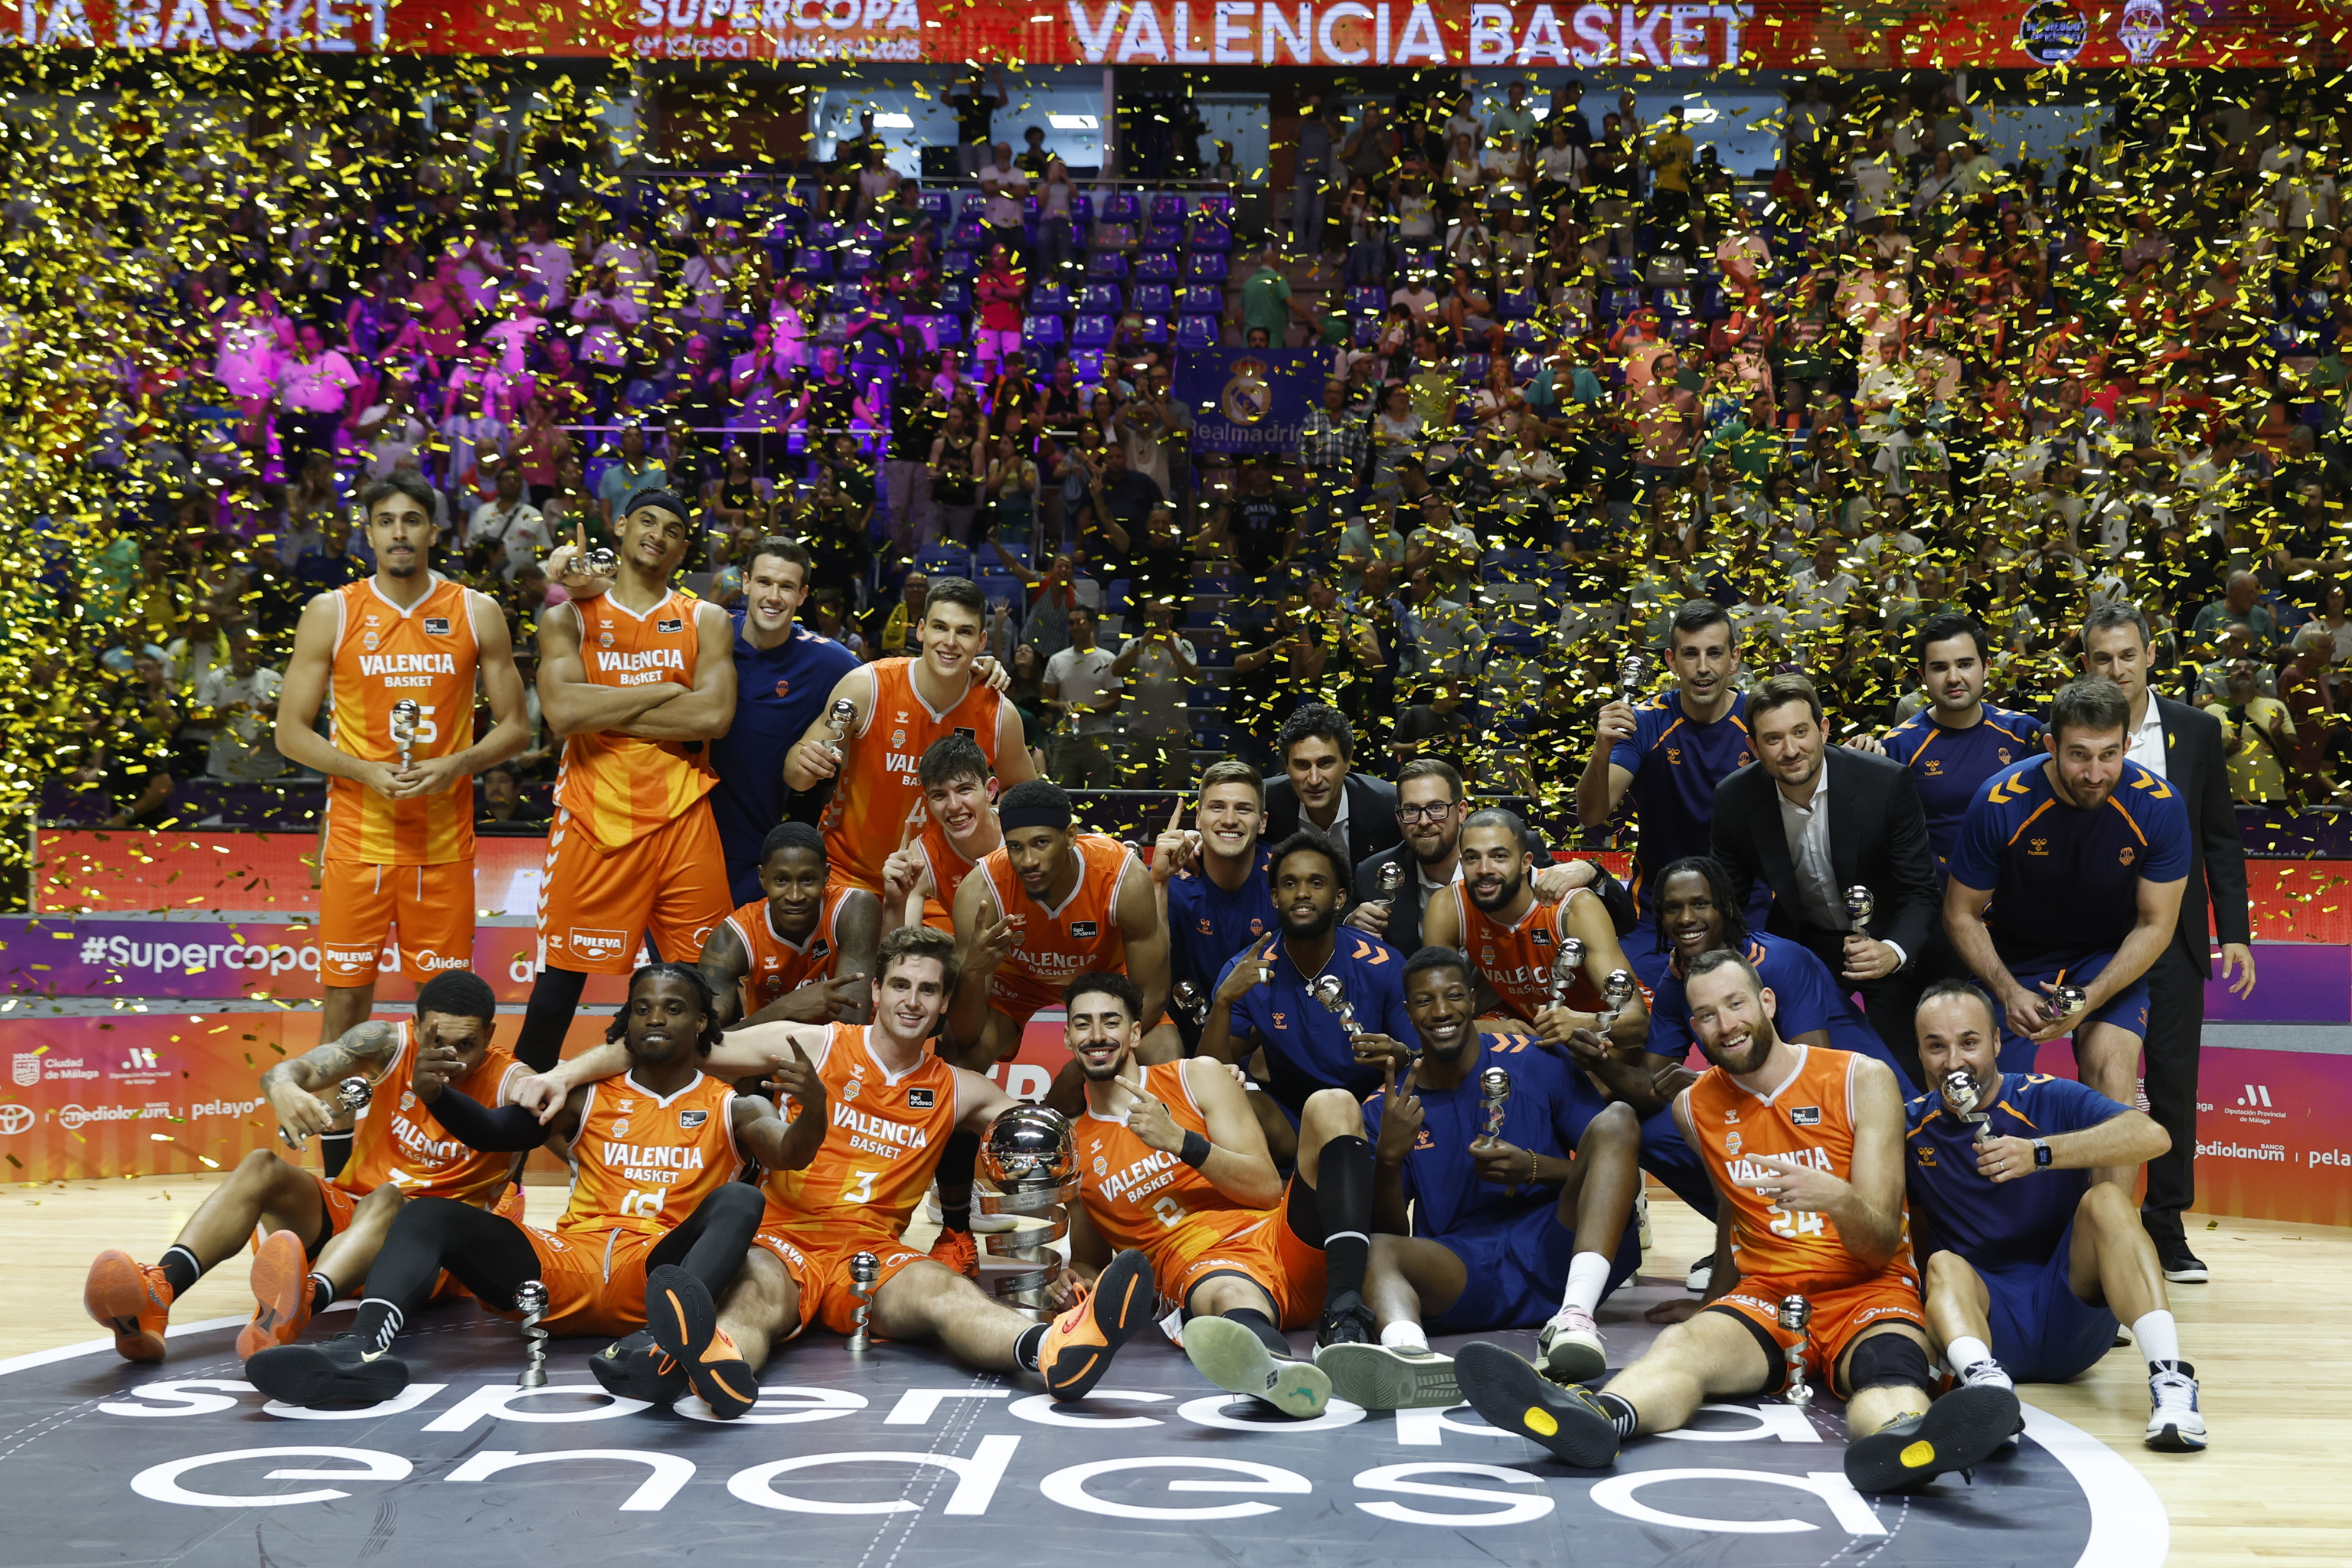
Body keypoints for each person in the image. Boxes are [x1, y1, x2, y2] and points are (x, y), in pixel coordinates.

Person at [1454, 949, 2021, 1495]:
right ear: (1694, 1027)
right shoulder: (1694, 1106)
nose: (1724, 1025)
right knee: (1684, 1348)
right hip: (1768, 1296)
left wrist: (1834, 1198)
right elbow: (1732, 1207)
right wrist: (1713, 1302)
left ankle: (1906, 1446)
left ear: (1767, 1002)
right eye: (1705, 1014)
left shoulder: (1859, 1079)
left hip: (1866, 1291)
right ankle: (1600, 1418)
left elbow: (1877, 1246)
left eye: (1735, 1004)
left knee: (1888, 1375)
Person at [518, 927, 1157, 1406]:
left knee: (940, 1291)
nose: (912, 1001)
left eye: (928, 990)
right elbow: (677, 1046)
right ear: (877, 991)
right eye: (900, 985)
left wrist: (1066, 1246)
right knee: (755, 1293)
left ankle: (1054, 1350)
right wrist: (565, 1071)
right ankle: (714, 1366)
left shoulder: (963, 1090)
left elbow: (1056, 1140)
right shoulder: (813, 1043)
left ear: (943, 1005)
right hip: (780, 1237)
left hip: (872, 1252)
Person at [245, 965, 789, 1416]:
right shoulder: (580, 1097)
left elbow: (790, 1153)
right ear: (625, 1022)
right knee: (428, 1212)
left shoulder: (732, 1104)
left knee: (742, 1200)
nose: (655, 1018)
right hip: (566, 1264)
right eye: (642, 1007)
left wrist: (809, 1117)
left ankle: (660, 1346)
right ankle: (361, 1350)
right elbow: (497, 1133)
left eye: (672, 1009)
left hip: (654, 1272)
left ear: (701, 1023)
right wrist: (436, 1097)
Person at [81, 972, 521, 1366]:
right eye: (438, 1042)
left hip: (429, 1257)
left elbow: (575, 1132)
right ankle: (159, 1295)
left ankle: (301, 1303)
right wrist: (286, 1088)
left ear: (491, 1034)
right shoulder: (387, 1043)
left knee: (388, 1199)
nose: (452, 1058)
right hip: (353, 1224)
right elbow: (294, 1069)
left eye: (468, 1045)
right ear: (415, 1026)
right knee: (262, 1166)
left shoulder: (514, 1083)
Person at [273, 472, 531, 1051]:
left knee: (445, 1017)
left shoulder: (476, 610)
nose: (399, 533)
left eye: (412, 520)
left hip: (440, 849)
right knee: (343, 1009)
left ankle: (429, 1140)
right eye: (386, 521)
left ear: (433, 531)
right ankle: (338, 1141)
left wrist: (457, 764)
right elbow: (289, 734)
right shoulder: (330, 612)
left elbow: (518, 728)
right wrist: (363, 769)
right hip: (356, 844)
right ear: (367, 533)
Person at [1338, 946, 1647, 1408]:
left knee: (1619, 1117)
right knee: (1375, 1250)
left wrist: (1535, 1167)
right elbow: (1391, 1230)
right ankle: (1409, 1355)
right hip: (1464, 1266)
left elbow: (1617, 1171)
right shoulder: (1386, 1106)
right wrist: (1388, 1159)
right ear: (1407, 1013)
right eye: (1424, 1001)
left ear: (1474, 1003)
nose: (1441, 1011)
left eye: (1454, 995)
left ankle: (1575, 1318)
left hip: (1556, 1241)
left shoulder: (1537, 1060)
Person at [1904, 981, 2207, 1452]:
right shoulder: (1909, 1126)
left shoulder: (2047, 1096)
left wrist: (2040, 1153)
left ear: (1998, 1043)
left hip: (2072, 1313)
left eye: (1969, 1042)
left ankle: (2171, 1383)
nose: (1954, 1062)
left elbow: (2152, 1137)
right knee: (1941, 1263)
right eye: (1936, 1046)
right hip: (1983, 1324)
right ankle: (1989, 1397)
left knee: (2107, 1201)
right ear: (1920, 1053)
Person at [1063, 969, 1381, 1417]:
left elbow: (1267, 1189)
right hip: (1201, 1269)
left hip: (1280, 1238)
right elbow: (1090, 1262)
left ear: (1135, 1033)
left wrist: (1181, 1141)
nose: (1098, 1035)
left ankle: (1345, 1317)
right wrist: (1072, 1278)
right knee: (1230, 1292)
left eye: (1111, 1021)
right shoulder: (1075, 1148)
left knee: (1333, 1103)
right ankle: (1276, 1374)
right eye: (1083, 1023)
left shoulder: (1197, 1077)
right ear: (1067, 1038)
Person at [511, 496, 737, 1076]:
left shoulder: (704, 618)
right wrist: (666, 690)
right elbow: (561, 712)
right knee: (556, 995)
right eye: (647, 521)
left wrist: (600, 708)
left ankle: (714, 1147)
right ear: (619, 527)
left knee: (711, 996)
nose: (658, 534)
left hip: (684, 817)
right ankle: (503, 1158)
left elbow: (712, 717)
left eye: (674, 529)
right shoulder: (569, 616)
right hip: (594, 818)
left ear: (685, 549)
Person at [1943, 678, 2190, 1191]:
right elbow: (1961, 913)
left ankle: (2109, 1234)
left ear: (2127, 745)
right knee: (1986, 1089)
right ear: (2051, 746)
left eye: (2108, 755)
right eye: (2079, 755)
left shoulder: (2160, 804)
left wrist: (2094, 995)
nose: (2094, 773)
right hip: (2013, 957)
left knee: (2112, 1070)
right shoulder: (2000, 801)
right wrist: (2008, 990)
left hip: (2106, 958)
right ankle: (1994, 1236)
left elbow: (2156, 924)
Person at [2079, 603, 2253, 1283]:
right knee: (2103, 1084)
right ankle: (2100, 1222)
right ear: (2087, 664)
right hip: (2095, 942)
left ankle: (2167, 1227)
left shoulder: (2198, 730)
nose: (2117, 669)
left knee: (2175, 1086)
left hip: (2177, 943)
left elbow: (2220, 838)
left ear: (2152, 654)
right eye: (2103, 658)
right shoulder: (2067, 730)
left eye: (2128, 655)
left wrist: (2233, 934)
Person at [1707, 672, 1940, 1087]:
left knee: (1900, 1079)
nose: (1791, 750)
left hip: (1888, 937)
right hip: (1804, 941)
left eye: (1801, 732)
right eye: (1773, 739)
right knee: (1794, 1073)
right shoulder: (1734, 798)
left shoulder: (1884, 782)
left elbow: (1921, 891)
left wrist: (1893, 950)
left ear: (1824, 729)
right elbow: (1729, 900)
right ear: (1753, 746)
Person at [784, 576, 1034, 903]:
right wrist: (805, 764)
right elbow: (796, 775)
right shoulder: (867, 686)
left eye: (965, 632)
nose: (950, 641)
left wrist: (988, 821)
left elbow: (1027, 797)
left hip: (942, 886)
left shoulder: (999, 713)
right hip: (849, 873)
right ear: (920, 631)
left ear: (981, 641)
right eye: (940, 627)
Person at [1199, 829, 1412, 1162]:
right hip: (1289, 1115)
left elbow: (1420, 1059)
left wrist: (1400, 1055)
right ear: (1274, 898)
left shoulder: (1382, 963)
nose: (1301, 893)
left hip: (1367, 1110)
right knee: (1223, 1103)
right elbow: (1210, 1075)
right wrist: (1224, 1000)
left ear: (1340, 898)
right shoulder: (1246, 969)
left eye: (1316, 883)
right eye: (1289, 884)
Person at [1576, 599, 1756, 973]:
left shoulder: (1759, 720)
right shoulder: (1644, 722)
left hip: (1746, 908)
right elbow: (1591, 813)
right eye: (1690, 654)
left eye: (1714, 653)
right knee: (1634, 1012)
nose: (1703, 668)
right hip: (1658, 914)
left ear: (1734, 660)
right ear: (1672, 661)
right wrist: (1602, 748)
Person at [947, 779, 1170, 1071]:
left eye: (1041, 843)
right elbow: (965, 1032)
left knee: (1165, 1053)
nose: (1028, 861)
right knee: (958, 1057)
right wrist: (973, 972)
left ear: (1070, 836)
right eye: (1015, 847)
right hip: (1019, 983)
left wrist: (1081, 1067)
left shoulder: (1122, 877)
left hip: (1106, 978)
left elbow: (1153, 994)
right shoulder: (981, 890)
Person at [707, 537, 861, 904]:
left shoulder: (827, 660)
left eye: (787, 587)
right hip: (677, 840)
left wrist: (974, 666)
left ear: (803, 594)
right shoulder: (705, 631)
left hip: (752, 851)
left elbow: (890, 683)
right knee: (670, 963)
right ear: (746, 582)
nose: (773, 596)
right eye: (764, 582)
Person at [1851, 613, 2046, 870]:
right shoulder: (1898, 746)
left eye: (1965, 664)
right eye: (1940, 667)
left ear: (1986, 666)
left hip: (2018, 892)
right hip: (1937, 897)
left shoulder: (2025, 733)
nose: (1953, 678)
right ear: (1922, 675)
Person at [699, 822, 879, 1028]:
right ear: (763, 878)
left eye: (808, 880)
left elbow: (852, 1023)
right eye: (782, 880)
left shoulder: (853, 909)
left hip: (840, 1052)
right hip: (765, 1049)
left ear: (826, 875)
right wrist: (784, 1009)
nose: (795, 896)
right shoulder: (731, 938)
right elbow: (705, 1041)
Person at [1156, 760, 1279, 1036]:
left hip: (1267, 1039)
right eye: (1217, 807)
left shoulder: (1287, 877)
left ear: (1263, 822)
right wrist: (1157, 883)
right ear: (1198, 818)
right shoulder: (1168, 877)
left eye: (1243, 809)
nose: (1229, 819)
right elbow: (1146, 977)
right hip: (1183, 1033)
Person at [880, 733, 1004, 933]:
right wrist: (895, 902)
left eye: (964, 789)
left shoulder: (1023, 833)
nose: (954, 806)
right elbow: (899, 954)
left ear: (990, 790)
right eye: (939, 795)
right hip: (974, 961)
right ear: (927, 801)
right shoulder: (920, 857)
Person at [1258, 702, 1401, 867]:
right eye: (1302, 765)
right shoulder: (1263, 802)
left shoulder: (1389, 807)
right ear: (1286, 765)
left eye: (1325, 763)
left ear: (1348, 760)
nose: (1314, 779)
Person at [1041, 603, 1121, 788]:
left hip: (1098, 736)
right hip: (1065, 736)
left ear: (1092, 625)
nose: (1076, 626)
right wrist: (1062, 706)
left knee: (1100, 793)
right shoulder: (1057, 660)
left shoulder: (1108, 659)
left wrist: (1088, 710)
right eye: (1071, 623)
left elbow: (1116, 702)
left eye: (1081, 621)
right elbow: (1046, 700)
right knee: (1063, 793)